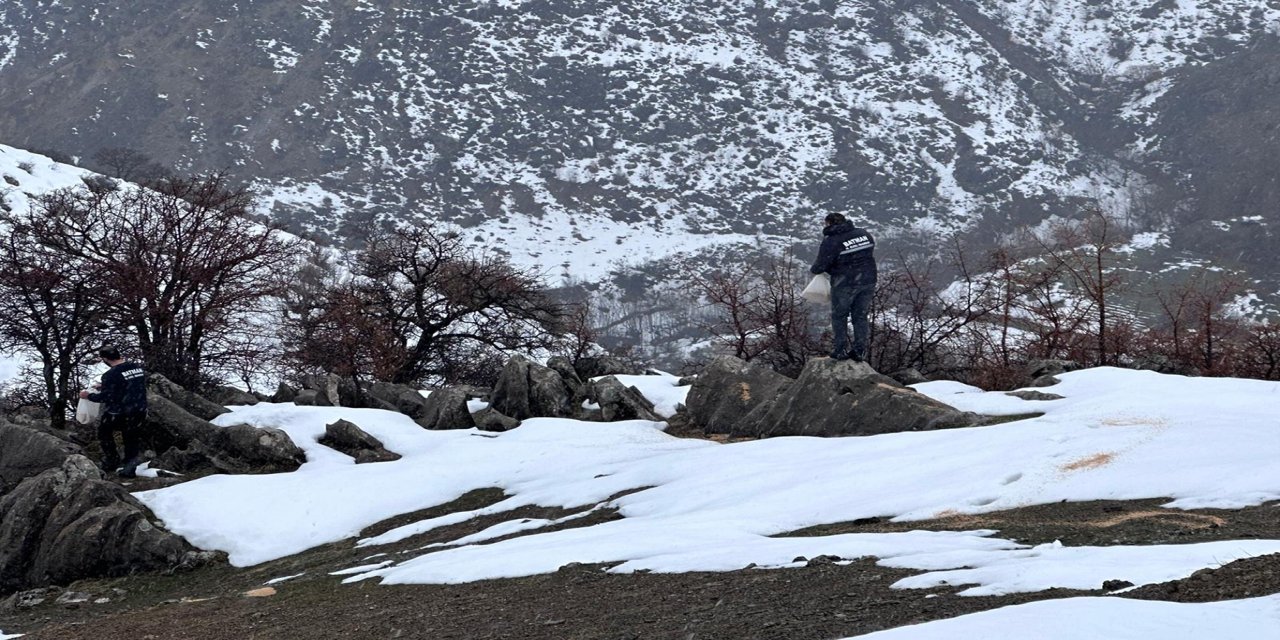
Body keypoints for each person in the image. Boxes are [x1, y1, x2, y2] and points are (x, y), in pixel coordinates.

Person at [810, 213, 877, 362]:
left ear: (829, 224)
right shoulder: (863, 234)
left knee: (839, 316)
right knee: (860, 316)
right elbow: (868, 252)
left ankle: (840, 350)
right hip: (868, 279)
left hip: (845, 282)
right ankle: (860, 351)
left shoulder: (832, 241)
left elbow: (820, 265)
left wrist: (817, 270)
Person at [80, 346, 148, 478]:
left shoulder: (110, 375)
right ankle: (130, 467)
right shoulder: (136, 367)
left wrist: (87, 396)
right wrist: (104, 385)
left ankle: (112, 460)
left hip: (120, 412)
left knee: (104, 432)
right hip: (139, 408)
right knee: (131, 439)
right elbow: (128, 384)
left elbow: (107, 397)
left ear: (105, 359)